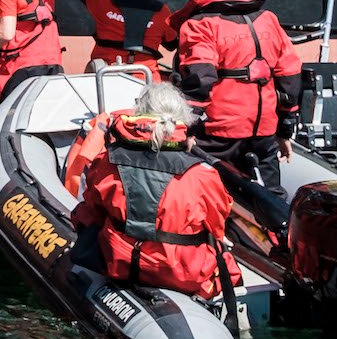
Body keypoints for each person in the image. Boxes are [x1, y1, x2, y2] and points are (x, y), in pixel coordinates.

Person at [70, 82, 241, 304]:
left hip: (120, 263)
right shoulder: (202, 174)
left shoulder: (107, 162)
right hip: (183, 273)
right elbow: (216, 225)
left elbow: (90, 212)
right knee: (222, 252)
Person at [171, 0, 302, 191]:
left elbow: (198, 81)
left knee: (204, 197)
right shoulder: (268, 19)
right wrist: (285, 129)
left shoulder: (200, 24)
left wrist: (186, 130)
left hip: (216, 136)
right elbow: (290, 75)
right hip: (263, 133)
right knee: (270, 203)